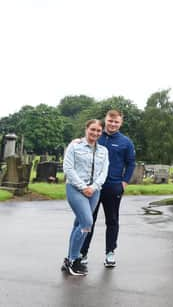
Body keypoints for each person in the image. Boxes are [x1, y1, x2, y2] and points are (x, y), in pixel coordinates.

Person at [80, 109, 136, 268]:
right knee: (88, 220)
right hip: (93, 187)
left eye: (116, 122)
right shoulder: (97, 136)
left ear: (120, 123)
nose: (112, 124)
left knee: (112, 221)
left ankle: (110, 253)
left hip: (113, 187)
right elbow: (82, 143)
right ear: (106, 120)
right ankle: (83, 253)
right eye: (110, 121)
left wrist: (124, 182)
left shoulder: (126, 142)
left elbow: (131, 163)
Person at [61, 119, 109, 276]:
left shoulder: (103, 151)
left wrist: (93, 188)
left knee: (80, 224)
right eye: (92, 129)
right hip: (75, 188)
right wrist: (83, 187)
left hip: (94, 191)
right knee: (87, 222)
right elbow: (68, 168)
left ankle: (70, 260)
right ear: (86, 129)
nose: (95, 133)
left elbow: (104, 172)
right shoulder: (74, 146)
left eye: (98, 131)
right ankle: (74, 259)